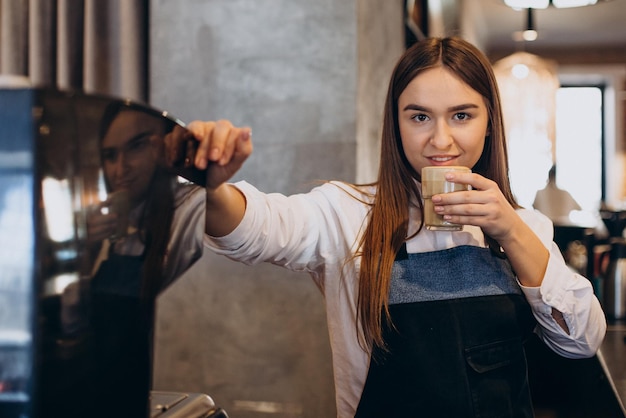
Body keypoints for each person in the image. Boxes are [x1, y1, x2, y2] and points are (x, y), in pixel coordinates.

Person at [186, 37, 606, 417]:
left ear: (490, 121)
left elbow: (581, 339)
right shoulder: (348, 213)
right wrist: (210, 182)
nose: (441, 140)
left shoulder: (525, 225)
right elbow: (259, 228)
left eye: (461, 115)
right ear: (396, 124)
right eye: (419, 117)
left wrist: (510, 230)